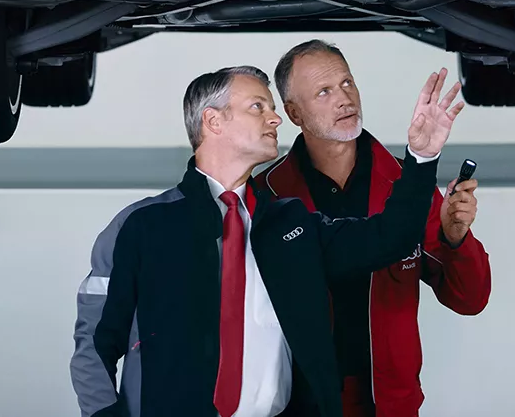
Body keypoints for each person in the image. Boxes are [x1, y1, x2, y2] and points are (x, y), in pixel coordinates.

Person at [70, 64, 462, 417]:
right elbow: (93, 346)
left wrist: (421, 157)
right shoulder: (139, 227)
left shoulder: (292, 224)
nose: (276, 119)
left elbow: (388, 238)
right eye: (258, 107)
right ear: (213, 121)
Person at [257, 40, 492, 417]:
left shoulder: (407, 183)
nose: (344, 99)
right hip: (297, 405)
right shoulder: (266, 193)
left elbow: (470, 299)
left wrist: (455, 237)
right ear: (294, 113)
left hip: (390, 405)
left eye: (347, 83)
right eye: (324, 91)